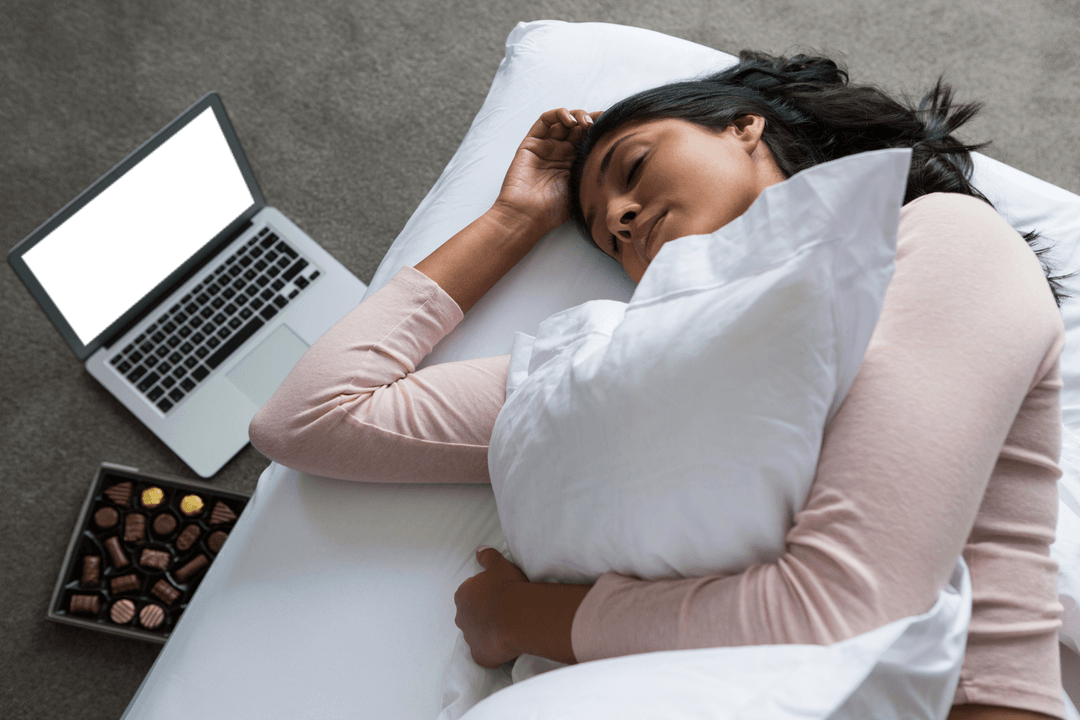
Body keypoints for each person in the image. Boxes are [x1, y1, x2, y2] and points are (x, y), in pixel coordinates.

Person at [248, 51, 1074, 720]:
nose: (618, 218)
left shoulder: (943, 240)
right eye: (605, 236)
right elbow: (312, 421)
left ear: (744, 126)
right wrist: (515, 221)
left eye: (633, 166)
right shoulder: (616, 360)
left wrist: (520, 619)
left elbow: (836, 612)